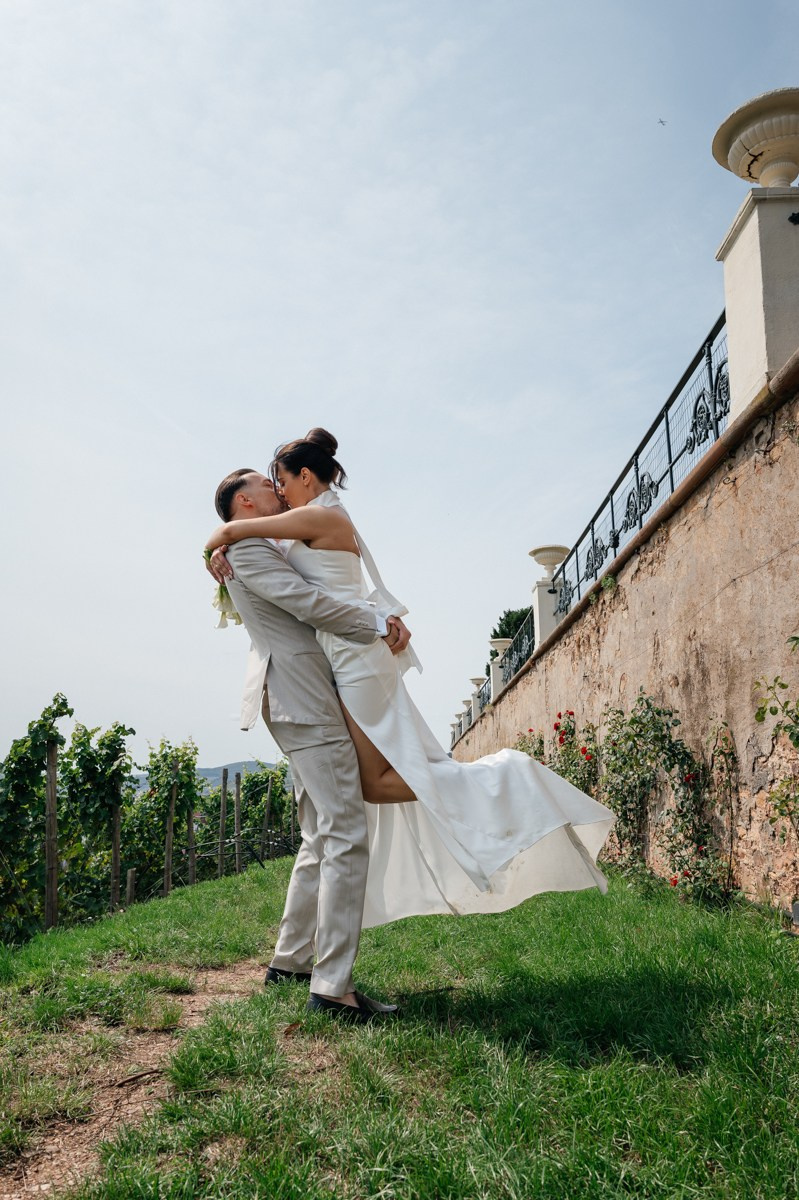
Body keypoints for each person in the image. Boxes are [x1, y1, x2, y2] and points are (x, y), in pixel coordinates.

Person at [206, 430, 616, 934]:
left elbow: (248, 547)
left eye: (282, 480)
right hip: (336, 668)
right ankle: (483, 790)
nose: (278, 489)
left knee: (373, 786)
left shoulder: (315, 516)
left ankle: (501, 781)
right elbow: (322, 581)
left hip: (353, 662)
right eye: (267, 485)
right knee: (361, 795)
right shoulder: (295, 528)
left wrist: (217, 541)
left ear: (305, 477)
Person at [210, 466, 410, 1024]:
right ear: (244, 504)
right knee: (347, 830)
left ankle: (292, 961)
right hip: (304, 704)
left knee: (320, 834)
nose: (279, 490)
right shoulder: (247, 551)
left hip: (299, 701)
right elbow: (309, 604)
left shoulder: (249, 546)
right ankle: (333, 990)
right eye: (265, 484)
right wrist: (377, 622)